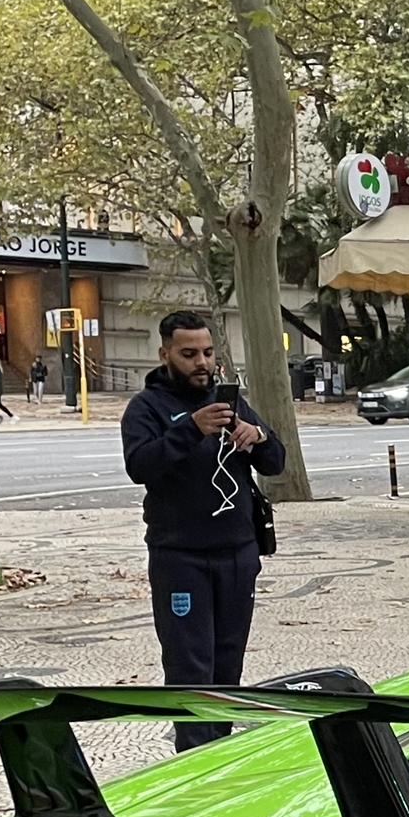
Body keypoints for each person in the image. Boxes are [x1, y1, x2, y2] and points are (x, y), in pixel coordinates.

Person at [122, 310, 284, 750]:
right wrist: (190, 430)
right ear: (166, 354)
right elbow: (140, 466)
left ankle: (221, 757)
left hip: (237, 553)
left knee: (227, 668)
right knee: (190, 671)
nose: (202, 363)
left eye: (208, 352)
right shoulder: (147, 408)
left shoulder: (230, 402)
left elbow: (276, 463)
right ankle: (193, 764)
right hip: (181, 558)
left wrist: (260, 436)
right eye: (189, 353)